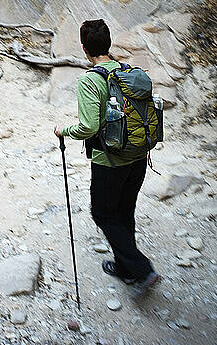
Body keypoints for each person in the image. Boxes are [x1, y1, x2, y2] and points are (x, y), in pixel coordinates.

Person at [53, 19, 160, 298]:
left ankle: (142, 269)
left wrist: (62, 130)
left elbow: (88, 127)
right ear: (108, 44)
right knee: (124, 211)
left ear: (85, 48)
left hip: (109, 160)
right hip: (138, 155)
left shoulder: (91, 79)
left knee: (102, 213)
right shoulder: (127, 71)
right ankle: (125, 269)